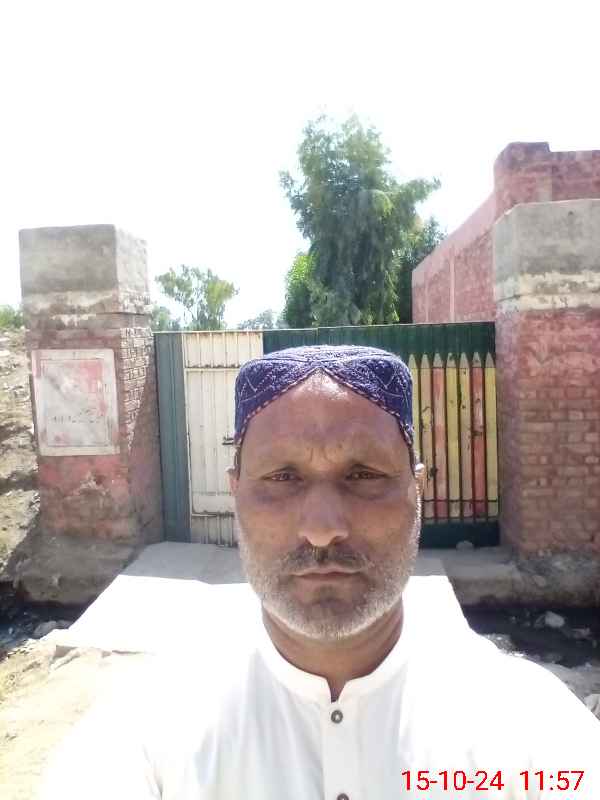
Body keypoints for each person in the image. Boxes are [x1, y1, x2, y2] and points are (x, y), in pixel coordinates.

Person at [41, 345, 600, 799]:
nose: (322, 529)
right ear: (236, 495)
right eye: (283, 478)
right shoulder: (147, 732)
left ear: (418, 490)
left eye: (363, 475)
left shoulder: (527, 729)